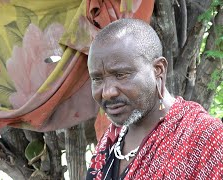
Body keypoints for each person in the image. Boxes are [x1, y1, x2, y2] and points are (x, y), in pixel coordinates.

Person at [86, 19, 223, 180]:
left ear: (158, 70)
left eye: (120, 75)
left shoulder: (207, 138)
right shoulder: (112, 137)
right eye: (97, 79)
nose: (107, 92)